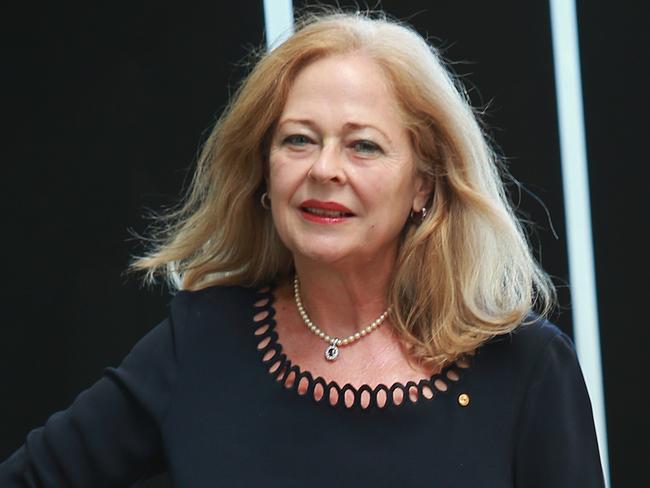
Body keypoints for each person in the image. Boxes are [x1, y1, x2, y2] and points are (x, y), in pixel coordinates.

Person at [0, 10, 605, 487]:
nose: (324, 169)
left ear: (424, 183)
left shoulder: (524, 368)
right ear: (263, 172)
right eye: (298, 140)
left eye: (363, 146)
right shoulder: (201, 341)